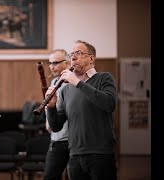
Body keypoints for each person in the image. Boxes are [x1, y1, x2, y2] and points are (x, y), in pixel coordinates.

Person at [46, 40, 117, 180]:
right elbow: (56, 126)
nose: (73, 57)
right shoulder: (66, 89)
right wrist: (51, 106)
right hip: (75, 156)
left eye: (78, 53)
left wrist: (78, 83)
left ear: (91, 58)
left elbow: (109, 104)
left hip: (101, 154)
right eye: (71, 54)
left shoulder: (104, 78)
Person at [43, 49, 70, 180]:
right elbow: (51, 104)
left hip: (72, 140)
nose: (51, 67)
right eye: (50, 63)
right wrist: (48, 120)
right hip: (56, 139)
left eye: (55, 63)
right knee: (49, 176)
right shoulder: (54, 82)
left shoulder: (73, 82)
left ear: (67, 63)